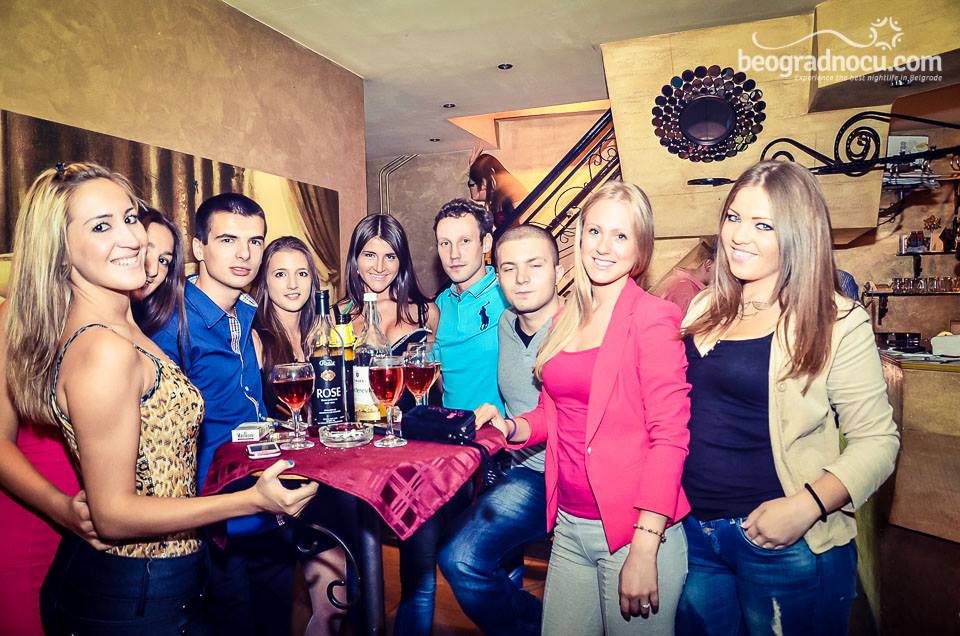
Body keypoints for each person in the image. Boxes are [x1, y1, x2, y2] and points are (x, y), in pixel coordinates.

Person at [4, 163, 316, 634]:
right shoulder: (106, 347)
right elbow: (113, 515)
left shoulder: (127, 326)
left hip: (167, 574)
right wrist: (252, 501)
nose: (132, 238)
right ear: (60, 248)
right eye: (102, 226)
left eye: (130, 218)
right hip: (135, 587)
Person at [676, 160, 900, 635]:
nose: (739, 235)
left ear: (799, 234)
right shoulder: (704, 306)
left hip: (783, 543)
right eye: (733, 217)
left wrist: (805, 506)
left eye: (764, 225)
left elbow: (878, 442)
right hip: (695, 535)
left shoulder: (835, 321)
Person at [475, 181, 691, 635]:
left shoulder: (653, 317)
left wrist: (645, 547)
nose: (604, 247)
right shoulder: (568, 316)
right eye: (595, 231)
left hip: (632, 529)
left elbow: (670, 437)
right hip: (570, 524)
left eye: (620, 235)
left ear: (640, 248)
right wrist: (510, 427)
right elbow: (554, 413)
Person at [0, 202, 184, 634]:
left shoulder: (136, 328)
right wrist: (62, 508)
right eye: (146, 250)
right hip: (39, 510)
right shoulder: (19, 317)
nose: (151, 266)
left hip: (115, 534)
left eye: (163, 259)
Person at [152, 192, 307, 635]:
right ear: (199, 247)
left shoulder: (249, 313)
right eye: (228, 240)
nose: (244, 254)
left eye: (255, 241)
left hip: (267, 507)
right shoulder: (171, 324)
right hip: (214, 521)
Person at [439, 224, 562, 636]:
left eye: (535, 265)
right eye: (509, 268)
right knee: (462, 557)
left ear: (559, 271)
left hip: (568, 476)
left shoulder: (579, 327)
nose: (521, 278)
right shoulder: (506, 322)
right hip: (521, 469)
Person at [337, 214, 440, 636]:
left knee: (419, 567)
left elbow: (433, 386)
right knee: (357, 564)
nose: (379, 267)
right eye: (369, 255)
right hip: (357, 456)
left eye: (390, 256)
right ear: (354, 259)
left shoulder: (424, 312)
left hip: (413, 457)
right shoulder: (339, 316)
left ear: (403, 261)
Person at [251, 235, 349, 636]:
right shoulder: (256, 338)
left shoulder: (324, 335)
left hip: (325, 481)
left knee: (337, 605)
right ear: (264, 281)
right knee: (272, 614)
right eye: (280, 274)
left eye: (302, 274)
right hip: (279, 484)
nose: (292, 284)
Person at [434, 199, 508, 413]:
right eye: (445, 243)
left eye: (465, 241)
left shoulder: (508, 297)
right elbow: (439, 377)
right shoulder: (438, 306)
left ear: (486, 243)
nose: (454, 254)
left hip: (500, 431)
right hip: (452, 429)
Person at [650, 236, 715, 314]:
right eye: (723, 269)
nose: (725, 276)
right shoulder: (685, 291)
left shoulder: (681, 282)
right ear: (708, 265)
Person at [468, 153, 529, 229]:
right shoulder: (494, 193)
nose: (482, 187)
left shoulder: (512, 189)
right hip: (507, 235)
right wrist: (471, 169)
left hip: (518, 234)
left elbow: (524, 223)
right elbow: (475, 196)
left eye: (481, 180)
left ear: (492, 172)